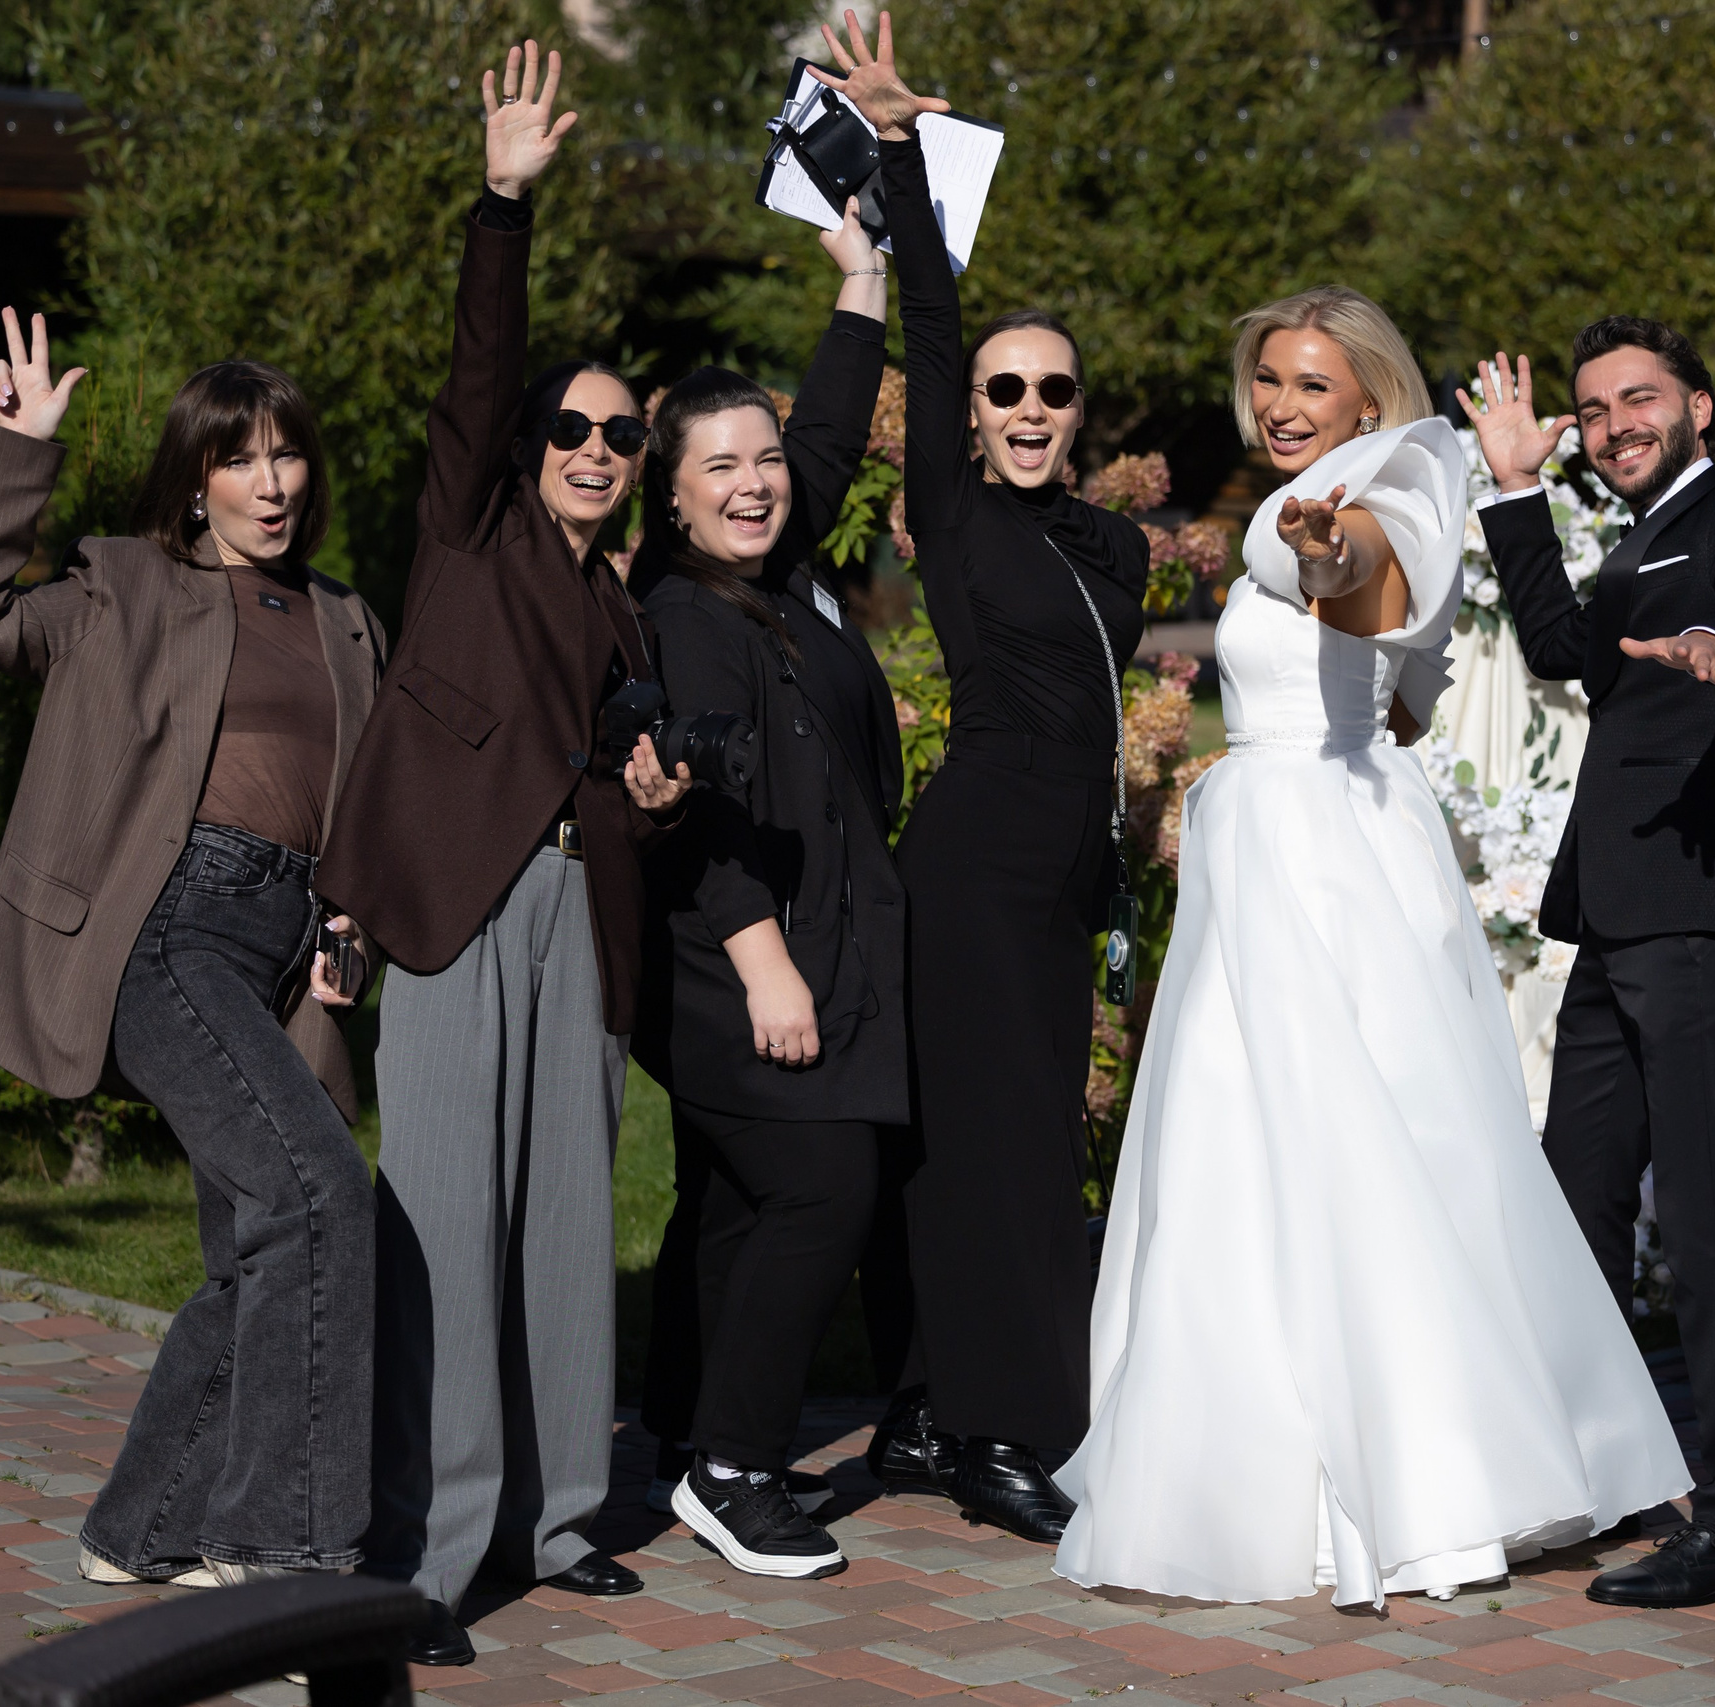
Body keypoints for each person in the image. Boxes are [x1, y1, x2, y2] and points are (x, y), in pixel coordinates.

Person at [1049, 285, 1691, 1606]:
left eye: (1313, 384)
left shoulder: (1380, 496)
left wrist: (1326, 553)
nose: (1285, 404)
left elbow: (1363, 588)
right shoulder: (1333, 486)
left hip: (1318, 865)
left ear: (1367, 396)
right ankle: (1249, 1454)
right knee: (1250, 1149)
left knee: (1354, 1147)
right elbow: (1394, 699)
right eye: (1271, 380)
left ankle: (1412, 1467)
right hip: (1287, 842)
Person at [313, 41, 686, 1669]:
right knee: (445, 1226)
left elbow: (606, 755)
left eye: (622, 436)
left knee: (562, 1226)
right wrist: (504, 205)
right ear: (531, 447)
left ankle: (559, 1515)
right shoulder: (470, 529)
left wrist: (649, 783)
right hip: (454, 917)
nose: (598, 449)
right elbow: (480, 373)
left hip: (573, 919)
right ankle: (433, 1550)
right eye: (574, 429)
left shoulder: (624, 607)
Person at [0, 313, 383, 1588]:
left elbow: (356, 801)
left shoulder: (345, 618)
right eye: (242, 460)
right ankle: (281, 1544)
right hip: (163, 929)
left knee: (262, 1241)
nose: (273, 482)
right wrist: (20, 455)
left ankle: (146, 1530)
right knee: (319, 1196)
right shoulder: (125, 586)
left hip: (286, 946)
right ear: (198, 479)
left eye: (289, 456)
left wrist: (353, 924)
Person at [812, 10, 1148, 1545]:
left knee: (988, 1140)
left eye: (1052, 394)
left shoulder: (1116, 543)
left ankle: (931, 1406)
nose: (1023, 410)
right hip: (970, 872)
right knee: (1004, 1147)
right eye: (1006, 392)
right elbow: (933, 332)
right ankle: (1011, 1421)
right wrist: (893, 153)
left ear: (1084, 413)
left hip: (1061, 878)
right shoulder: (953, 510)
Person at [1460, 318, 1715, 1608]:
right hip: (1618, 915)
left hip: (1703, 908)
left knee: (1706, 1213)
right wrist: (1510, 485)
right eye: (1595, 409)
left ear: (1699, 407)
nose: (1615, 423)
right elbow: (1560, 647)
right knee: (1577, 1196)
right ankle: (1594, 1469)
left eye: (1640, 399)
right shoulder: (1636, 533)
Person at [625, 197, 905, 1579]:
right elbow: (701, 807)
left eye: (763, 462)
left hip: (827, 953)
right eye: (717, 466)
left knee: (739, 1206)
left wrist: (861, 285)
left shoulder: (784, 580)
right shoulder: (684, 616)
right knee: (820, 1187)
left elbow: (834, 438)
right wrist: (764, 962)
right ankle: (734, 1467)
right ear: (667, 494)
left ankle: (678, 1427)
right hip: (736, 970)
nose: (753, 482)